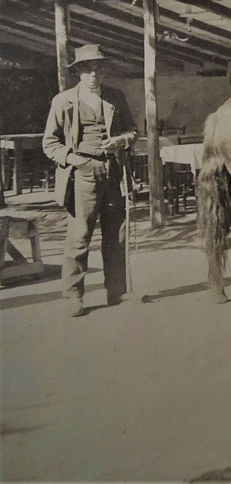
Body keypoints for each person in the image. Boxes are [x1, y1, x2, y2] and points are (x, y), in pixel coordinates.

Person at [42, 44, 138, 317]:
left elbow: (133, 131)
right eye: (87, 69)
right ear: (79, 73)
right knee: (79, 237)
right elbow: (49, 143)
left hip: (113, 173)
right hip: (82, 174)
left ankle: (117, 292)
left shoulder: (115, 97)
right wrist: (75, 160)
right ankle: (73, 296)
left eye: (98, 68)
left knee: (116, 235)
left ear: (104, 70)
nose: (94, 74)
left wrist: (120, 140)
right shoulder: (63, 101)